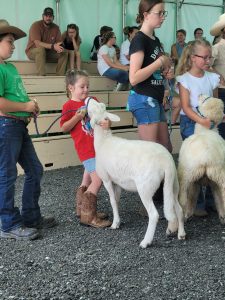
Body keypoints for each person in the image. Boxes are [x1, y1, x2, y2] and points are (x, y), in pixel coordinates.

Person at [0, 20, 56, 240]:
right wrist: (25, 107)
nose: (13, 46)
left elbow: (13, 96)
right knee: (7, 175)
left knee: (34, 170)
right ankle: (8, 223)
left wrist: (29, 107)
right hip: (6, 126)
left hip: (17, 126)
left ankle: (30, 216)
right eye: (9, 42)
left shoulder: (10, 67)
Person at [60, 70, 111, 228]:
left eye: (87, 86)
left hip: (98, 146)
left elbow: (104, 116)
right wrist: (77, 117)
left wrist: (107, 122)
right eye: (82, 86)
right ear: (71, 88)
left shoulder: (92, 100)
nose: (86, 89)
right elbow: (63, 127)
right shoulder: (68, 106)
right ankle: (88, 216)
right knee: (98, 178)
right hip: (86, 149)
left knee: (87, 178)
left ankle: (81, 208)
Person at [175, 39, 220, 217]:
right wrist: (201, 121)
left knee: (213, 160)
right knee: (194, 161)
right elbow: (186, 107)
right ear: (193, 58)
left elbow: (215, 102)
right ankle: (195, 203)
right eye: (204, 57)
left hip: (209, 124)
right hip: (191, 123)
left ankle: (212, 201)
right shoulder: (184, 79)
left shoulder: (212, 77)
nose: (208, 61)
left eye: (210, 57)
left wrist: (215, 118)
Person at [128, 0, 172, 152]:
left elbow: (154, 70)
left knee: (165, 148)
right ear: (146, 15)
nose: (163, 17)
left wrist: (166, 72)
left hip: (155, 98)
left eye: (163, 13)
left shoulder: (155, 40)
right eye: (159, 13)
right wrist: (160, 62)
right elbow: (133, 78)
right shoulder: (139, 39)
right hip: (144, 98)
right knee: (151, 153)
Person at [25, 7, 68, 76]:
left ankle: (60, 76)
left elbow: (59, 42)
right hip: (33, 51)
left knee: (64, 52)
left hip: (48, 52)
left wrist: (60, 47)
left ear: (53, 17)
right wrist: (53, 46)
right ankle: (41, 76)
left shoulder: (56, 28)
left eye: (50, 16)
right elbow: (37, 43)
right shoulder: (35, 25)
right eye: (46, 16)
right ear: (43, 16)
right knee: (41, 50)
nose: (48, 18)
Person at [210, 13, 225, 139]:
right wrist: (219, 75)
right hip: (221, 90)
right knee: (222, 122)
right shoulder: (216, 47)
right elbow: (206, 65)